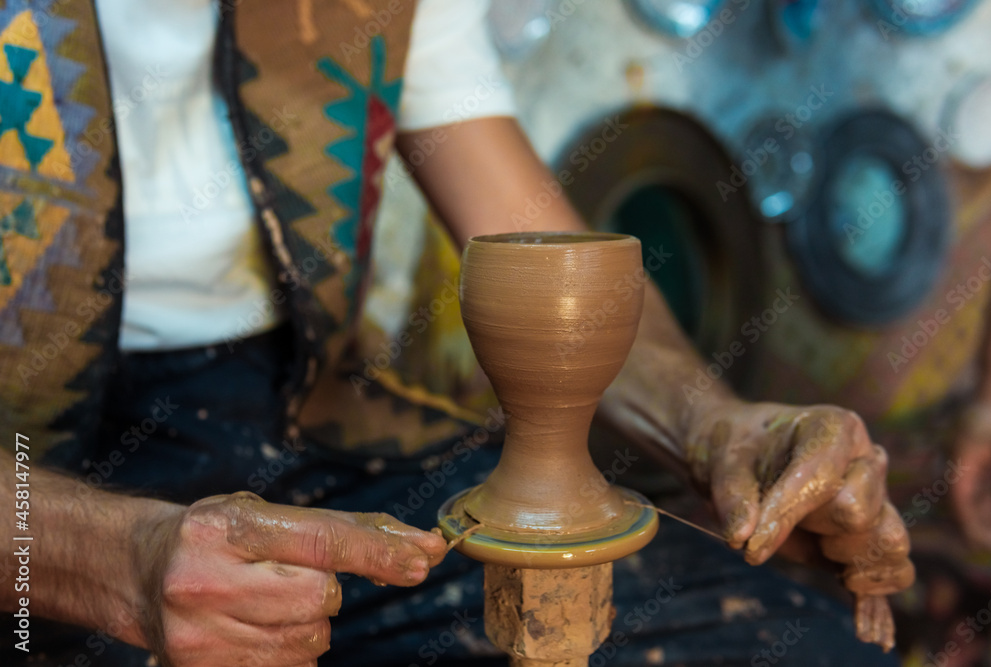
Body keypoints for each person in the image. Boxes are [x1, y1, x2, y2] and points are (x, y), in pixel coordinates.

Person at [0, 0, 913, 664]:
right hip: (30, 483)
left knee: (804, 648)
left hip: (297, 411)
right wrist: (110, 561)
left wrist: (716, 426)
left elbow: (551, 265)